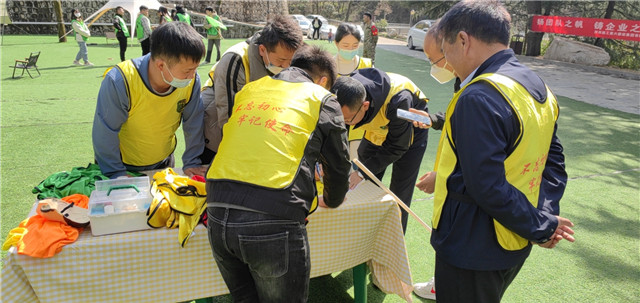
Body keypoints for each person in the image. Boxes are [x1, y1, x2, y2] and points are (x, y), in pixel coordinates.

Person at [430, 1, 575, 301]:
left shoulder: (479, 97)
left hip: (471, 248)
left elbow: (487, 186)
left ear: (463, 40)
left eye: (445, 50)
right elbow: (554, 161)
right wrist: (544, 218)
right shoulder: (537, 86)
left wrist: (541, 226)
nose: (446, 61)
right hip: (512, 243)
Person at [205, 45, 350, 302]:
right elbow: (338, 166)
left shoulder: (251, 89)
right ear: (324, 81)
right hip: (272, 218)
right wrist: (333, 199)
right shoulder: (321, 97)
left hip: (216, 211)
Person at [92, 22, 207, 179]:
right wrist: (116, 173)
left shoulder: (192, 82)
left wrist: (192, 162)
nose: (192, 76)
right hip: (122, 168)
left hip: (163, 164)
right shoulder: (120, 80)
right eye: (187, 71)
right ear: (161, 65)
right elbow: (105, 131)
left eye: (195, 69)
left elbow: (194, 122)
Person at [331, 68, 429, 233]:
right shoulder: (346, 91)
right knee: (363, 185)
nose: (346, 124)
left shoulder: (400, 101)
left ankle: (393, 240)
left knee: (400, 191)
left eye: (348, 120)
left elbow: (398, 145)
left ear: (365, 105)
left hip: (409, 133)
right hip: (376, 129)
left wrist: (362, 171)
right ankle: (362, 233)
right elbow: (337, 131)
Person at [199, 15, 303, 164]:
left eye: (290, 61)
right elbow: (227, 115)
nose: (287, 67)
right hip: (217, 136)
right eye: (281, 60)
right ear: (262, 50)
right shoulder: (235, 60)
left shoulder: (286, 61)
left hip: (258, 133)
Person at [410, 21, 458, 301]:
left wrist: (440, 178)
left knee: (451, 239)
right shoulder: (463, 81)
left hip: (460, 193)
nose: (433, 66)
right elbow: (456, 116)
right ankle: (441, 281)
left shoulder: (481, 89)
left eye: (434, 59)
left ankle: (443, 284)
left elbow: (475, 159)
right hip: (450, 181)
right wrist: (436, 120)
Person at [333, 23, 373, 162]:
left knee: (356, 160)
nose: (350, 49)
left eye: (355, 46)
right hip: (335, 121)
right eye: (345, 45)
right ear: (336, 43)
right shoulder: (329, 65)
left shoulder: (367, 64)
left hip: (358, 123)